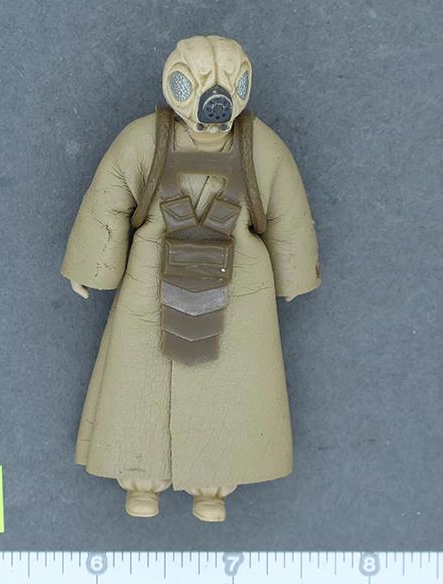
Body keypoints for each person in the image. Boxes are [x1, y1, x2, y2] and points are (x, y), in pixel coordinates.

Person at [62, 36, 321, 522]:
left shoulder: (262, 148)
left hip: (239, 282)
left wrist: (294, 275)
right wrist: (92, 265)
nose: (214, 99)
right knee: (141, 376)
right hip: (152, 275)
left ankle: (214, 482)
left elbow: (287, 211)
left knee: (231, 383)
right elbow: (110, 198)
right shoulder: (143, 141)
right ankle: (141, 475)